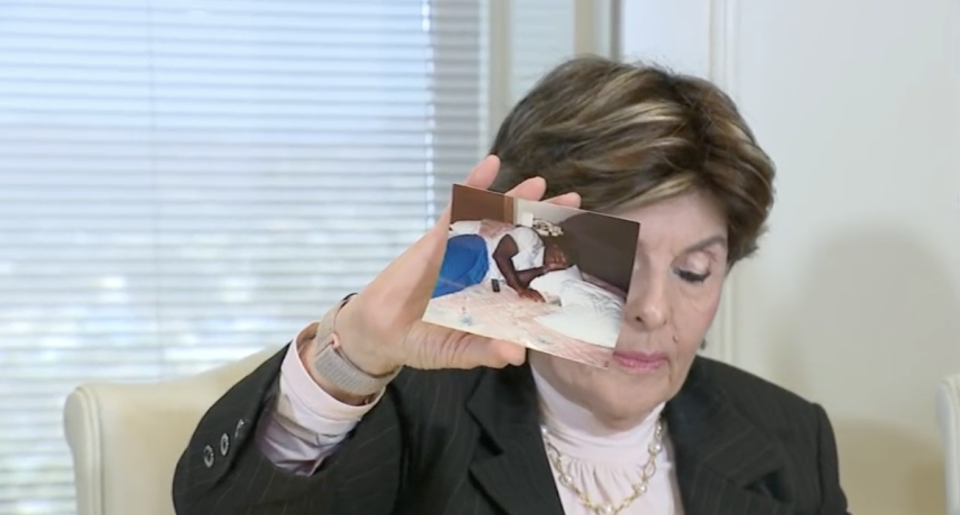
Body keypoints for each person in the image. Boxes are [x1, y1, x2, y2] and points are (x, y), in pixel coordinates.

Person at [172, 56, 850, 515]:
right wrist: (350, 353)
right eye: (621, 263)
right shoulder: (413, 413)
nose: (652, 310)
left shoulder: (789, 436)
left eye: (695, 271)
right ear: (525, 240)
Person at [432, 220, 578, 301]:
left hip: (479, 275)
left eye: (566, 262)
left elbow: (514, 278)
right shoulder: (531, 237)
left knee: (428, 295)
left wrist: (544, 269)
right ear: (554, 245)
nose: (562, 259)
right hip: (477, 250)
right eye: (563, 253)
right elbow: (500, 255)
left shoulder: (538, 268)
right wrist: (521, 290)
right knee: (430, 279)